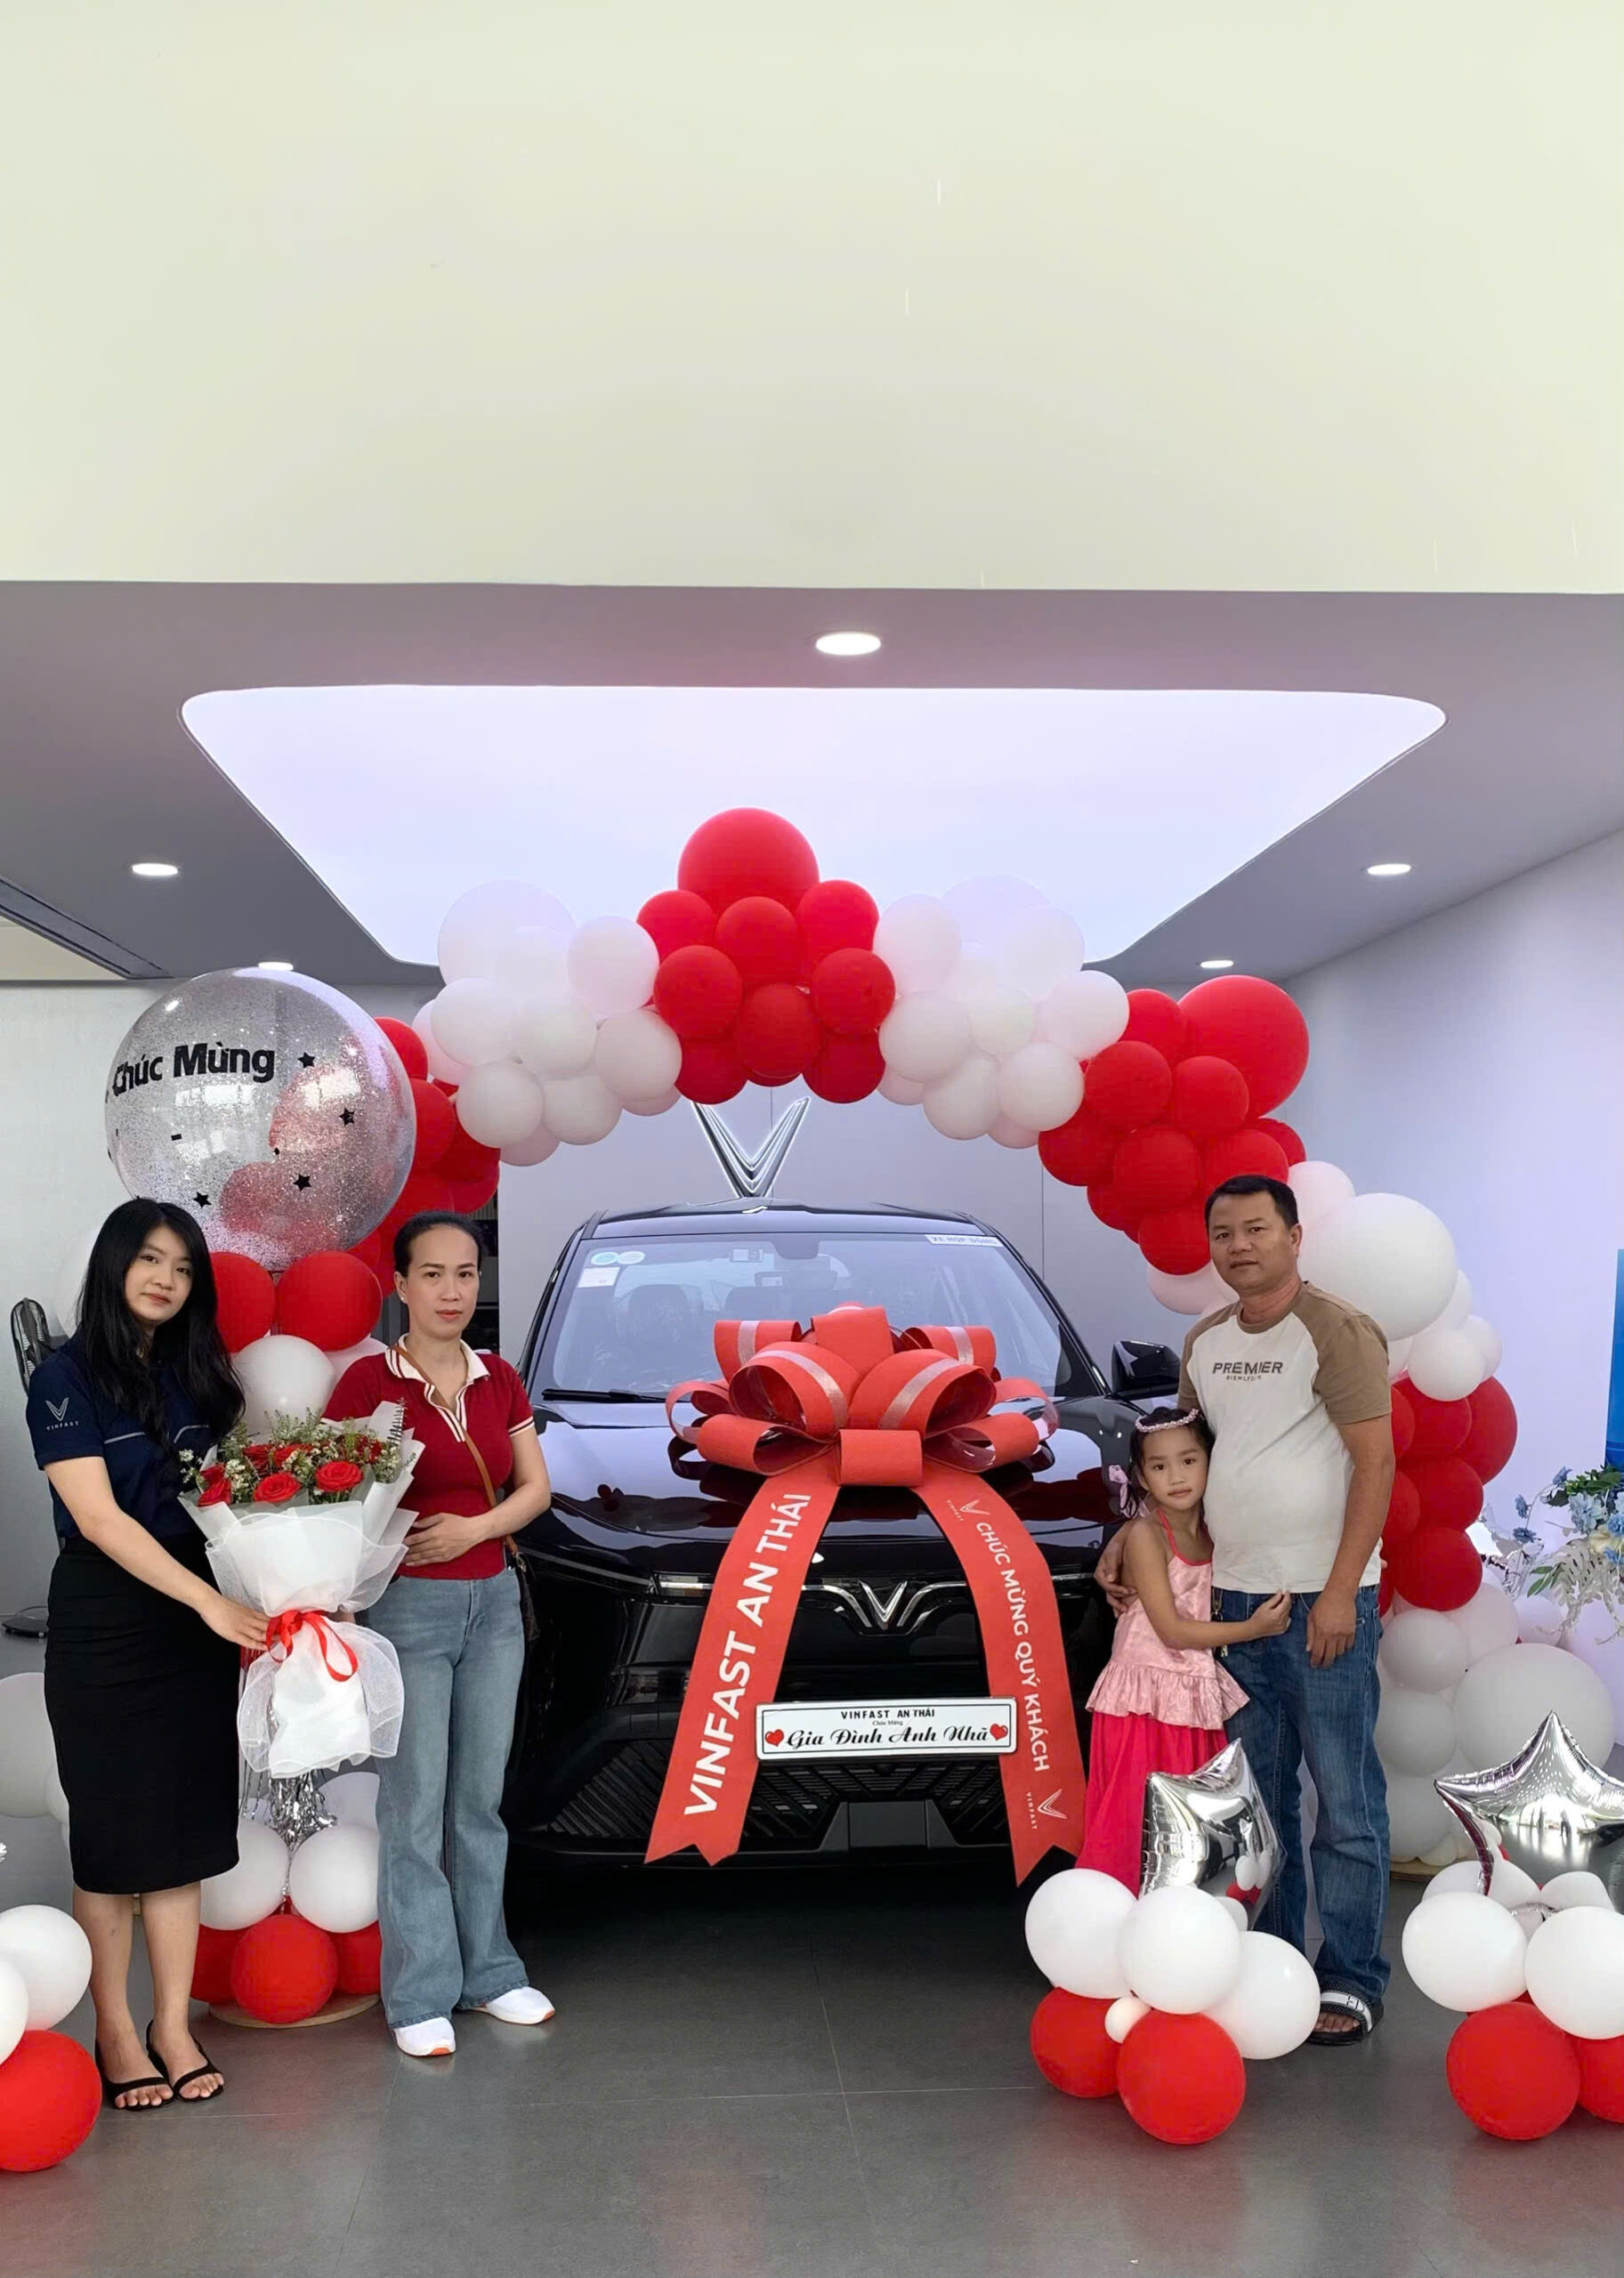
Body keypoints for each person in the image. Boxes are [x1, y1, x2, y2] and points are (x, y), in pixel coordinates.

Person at [1095, 1174, 1395, 2043]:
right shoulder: (1206, 1341)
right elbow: (1183, 1465)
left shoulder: (1335, 1330)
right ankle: (1273, 1968)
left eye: (1256, 1229)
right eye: (1223, 1233)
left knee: (1344, 1801)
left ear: (1293, 1237)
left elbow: (1374, 1464)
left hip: (1322, 1602)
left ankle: (1350, 1978)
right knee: (1256, 1805)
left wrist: (1337, 1592)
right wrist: (1129, 1539)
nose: (1239, 1246)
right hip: (1234, 1604)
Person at [25, 1200, 266, 2108]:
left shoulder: (197, 1374)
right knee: (113, 1838)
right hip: (109, 1618)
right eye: (150, 1259)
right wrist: (208, 1601)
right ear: (115, 1264)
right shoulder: (64, 1377)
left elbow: (230, 1500)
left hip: (197, 1623)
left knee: (180, 1832)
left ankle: (172, 2024)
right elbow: (97, 1517)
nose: (167, 1279)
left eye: (184, 1266)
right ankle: (117, 2032)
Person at [325, 1212, 554, 2060]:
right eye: (432, 1274)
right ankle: (420, 1993)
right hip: (408, 1611)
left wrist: (473, 1530)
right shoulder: (366, 1385)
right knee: (415, 1806)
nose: (451, 1291)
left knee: (478, 1802)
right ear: (401, 1285)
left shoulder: (499, 1378)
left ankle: (490, 1972)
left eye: (465, 1274)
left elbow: (535, 1490)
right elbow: (337, 1500)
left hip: (493, 1605)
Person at [1079, 1409, 1289, 1891]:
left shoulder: (1216, 1531)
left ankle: (1185, 1929)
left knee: (1193, 1829)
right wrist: (1253, 1628)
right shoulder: (1146, 1536)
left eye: (1189, 1461)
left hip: (1191, 1698)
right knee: (1135, 1822)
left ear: (1212, 1461)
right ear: (1141, 1477)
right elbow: (1171, 1631)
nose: (1176, 1477)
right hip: (1143, 1703)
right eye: (1159, 1466)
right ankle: (1115, 1923)